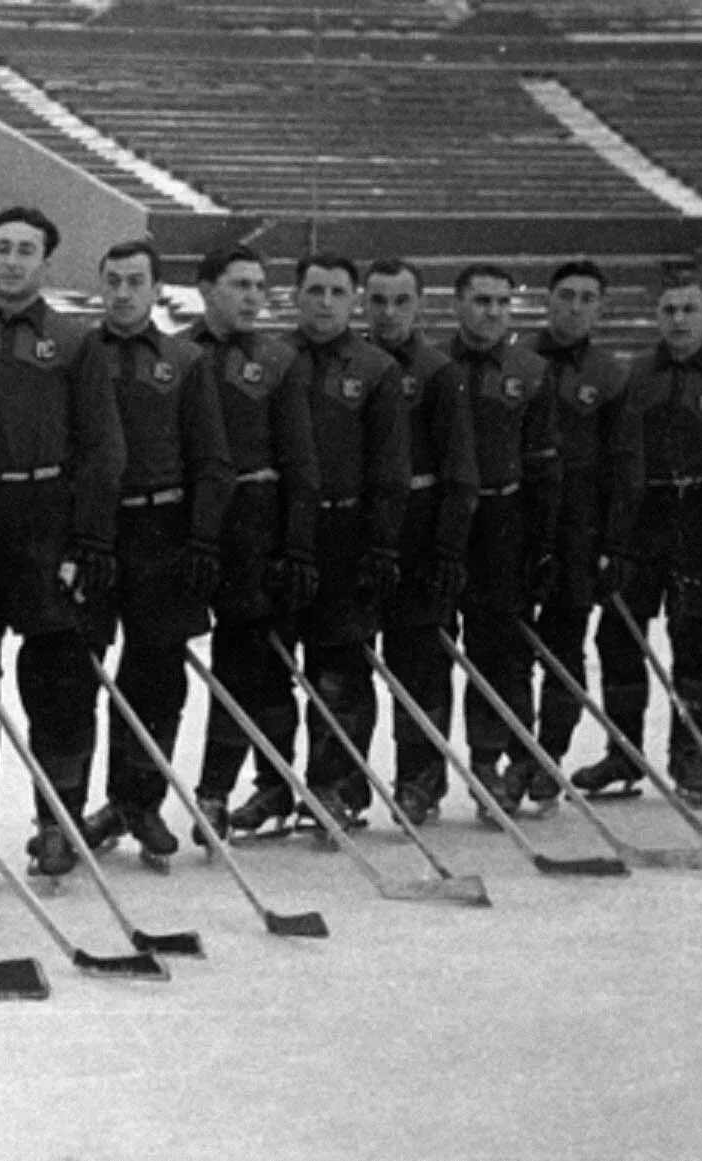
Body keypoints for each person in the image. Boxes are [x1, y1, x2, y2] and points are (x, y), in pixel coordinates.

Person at [0, 207, 124, 881]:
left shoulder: (76, 343)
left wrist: (90, 535)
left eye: (27, 250)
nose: (14, 260)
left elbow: (102, 446)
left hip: (50, 521)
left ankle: (59, 821)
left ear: (45, 261)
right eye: (3, 248)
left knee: (60, 682)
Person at [229, 253, 405, 836]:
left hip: (344, 535)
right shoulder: (272, 360)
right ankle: (274, 784)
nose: (324, 302)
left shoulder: (376, 369)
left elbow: (389, 467)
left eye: (336, 291)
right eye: (314, 290)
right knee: (270, 670)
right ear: (296, 296)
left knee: (339, 674)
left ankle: (336, 787)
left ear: (352, 298)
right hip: (276, 533)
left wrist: (381, 544)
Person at [573, 270, 702, 805]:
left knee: (695, 639)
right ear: (657, 316)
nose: (678, 320)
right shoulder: (633, 377)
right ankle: (623, 752)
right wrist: (612, 537)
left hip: (698, 517)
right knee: (618, 637)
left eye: (689, 310)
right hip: (640, 517)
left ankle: (691, 752)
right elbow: (614, 461)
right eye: (669, 310)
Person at [77, 239, 232, 867]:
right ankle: (63, 811)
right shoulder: (75, 354)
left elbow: (212, 459)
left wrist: (201, 537)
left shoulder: (184, 360)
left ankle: (138, 800)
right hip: (93, 530)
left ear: (155, 288)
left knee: (157, 677)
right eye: (112, 280)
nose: (121, 292)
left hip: (161, 529)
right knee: (76, 675)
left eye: (134, 281)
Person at [183, 244, 317, 844]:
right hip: (186, 520)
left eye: (260, 286)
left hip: (254, 523)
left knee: (250, 664)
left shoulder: (279, 361)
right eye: (239, 284)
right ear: (207, 288)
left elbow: (299, 460)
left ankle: (229, 788)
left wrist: (296, 544)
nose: (253, 297)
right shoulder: (178, 353)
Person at [513, 259, 632, 810]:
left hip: (578, 532)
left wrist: (613, 542)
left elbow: (623, 467)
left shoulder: (611, 375)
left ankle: (547, 757)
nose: (576, 306)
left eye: (588, 298)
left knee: (565, 649)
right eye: (567, 295)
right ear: (548, 300)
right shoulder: (517, 359)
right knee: (509, 650)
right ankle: (513, 758)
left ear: (600, 308)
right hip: (515, 526)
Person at [363, 258, 476, 825]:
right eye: (378, 300)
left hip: (417, 531)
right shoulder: (351, 364)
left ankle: (420, 780)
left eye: (400, 301)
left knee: (421, 666)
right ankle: (338, 786)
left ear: (419, 305)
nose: (389, 313)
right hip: (361, 532)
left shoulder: (438, 371)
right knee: (347, 666)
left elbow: (459, 471)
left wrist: (448, 548)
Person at [446, 263, 558, 819]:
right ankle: (438, 768)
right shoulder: (431, 365)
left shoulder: (531, 371)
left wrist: (541, 542)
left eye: (502, 303)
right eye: (481, 300)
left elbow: (543, 467)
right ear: (458, 304)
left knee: (505, 650)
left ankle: (510, 758)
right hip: (444, 522)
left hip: (503, 520)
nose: (492, 312)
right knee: (435, 648)